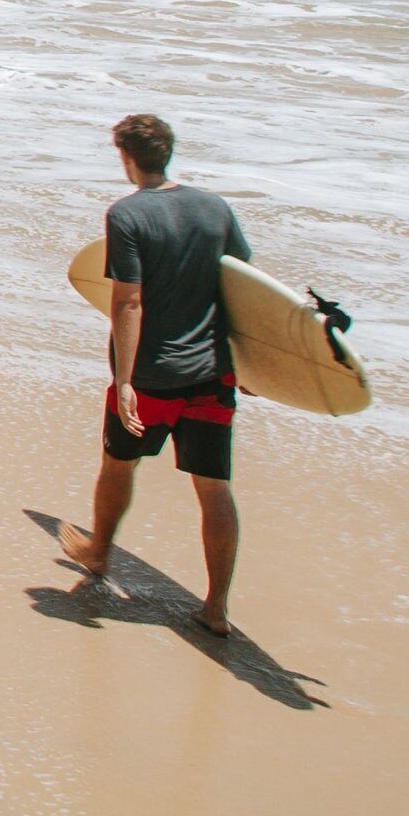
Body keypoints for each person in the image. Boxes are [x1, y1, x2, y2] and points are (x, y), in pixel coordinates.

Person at [58, 111, 250, 635]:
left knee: (118, 466)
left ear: (126, 158)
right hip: (212, 376)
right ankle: (216, 609)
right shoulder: (215, 208)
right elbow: (243, 287)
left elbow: (129, 301)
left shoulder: (127, 215)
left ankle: (99, 554)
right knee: (215, 489)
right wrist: (249, 366)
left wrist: (124, 381)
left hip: (152, 378)